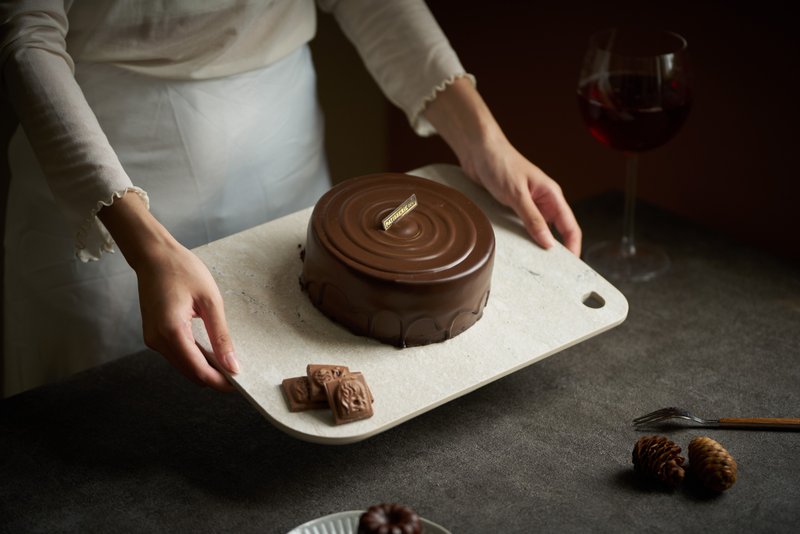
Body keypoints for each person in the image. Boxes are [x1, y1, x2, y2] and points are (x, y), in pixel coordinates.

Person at [0, 0, 581, 397]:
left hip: (280, 156)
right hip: (100, 186)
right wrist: (143, 244)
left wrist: (485, 142)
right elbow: (26, 36)